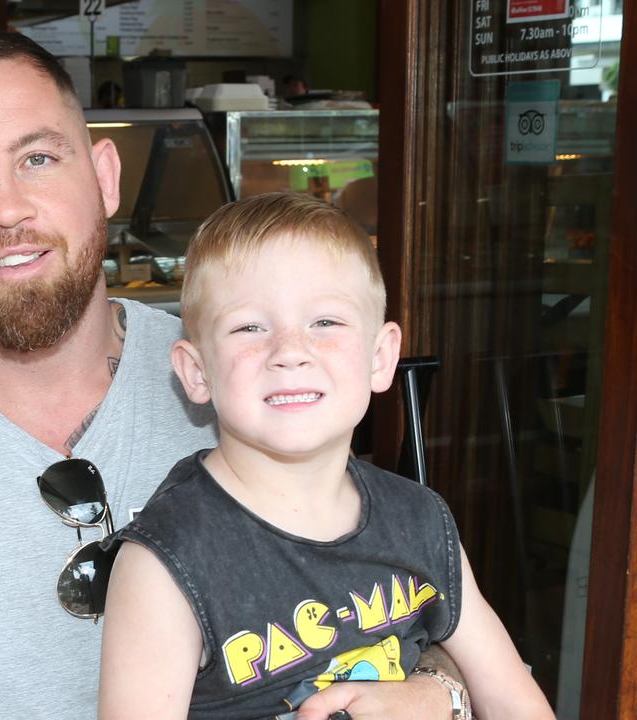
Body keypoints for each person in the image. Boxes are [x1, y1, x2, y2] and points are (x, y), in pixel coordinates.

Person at [0, 31, 458, 719]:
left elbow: (403, 594)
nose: (7, 208)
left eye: (39, 158)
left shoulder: (250, 377)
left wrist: (442, 693)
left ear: (106, 177)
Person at [97, 193, 554, 719]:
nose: (290, 350)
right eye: (250, 327)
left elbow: (515, 698)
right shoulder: (165, 562)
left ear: (380, 358)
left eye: (326, 323)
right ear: (197, 372)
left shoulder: (423, 520)